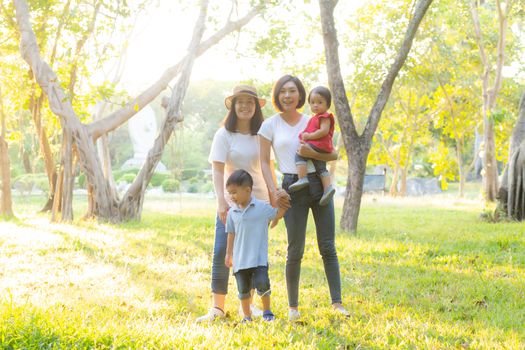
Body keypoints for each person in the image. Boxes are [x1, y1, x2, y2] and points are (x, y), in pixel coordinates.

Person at [258, 74, 349, 321]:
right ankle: (293, 308)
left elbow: (333, 155)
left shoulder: (315, 119)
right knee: (294, 249)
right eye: (283, 91)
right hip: (292, 187)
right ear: (277, 96)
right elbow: (265, 163)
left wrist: (311, 151)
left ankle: (337, 302)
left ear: (300, 95)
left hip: (318, 184)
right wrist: (274, 191)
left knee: (327, 246)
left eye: (292, 91)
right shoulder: (270, 125)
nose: (287, 95)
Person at [196, 85, 279, 323]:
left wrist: (273, 196)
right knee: (223, 250)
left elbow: (268, 167)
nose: (245, 106)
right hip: (232, 205)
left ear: (256, 107)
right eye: (240, 102)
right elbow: (217, 169)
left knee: (252, 255)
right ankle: (217, 307)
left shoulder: (262, 135)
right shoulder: (224, 134)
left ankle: (249, 305)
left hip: (258, 202)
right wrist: (222, 201)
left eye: (250, 102)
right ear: (233, 106)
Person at [224, 169, 286, 322]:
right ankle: (246, 316)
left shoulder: (261, 208)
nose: (231, 196)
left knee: (263, 285)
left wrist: (283, 201)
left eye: (234, 192)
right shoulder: (232, 212)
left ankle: (267, 312)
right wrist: (228, 254)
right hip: (240, 260)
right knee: (243, 290)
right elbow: (231, 234)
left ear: (248, 190)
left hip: (258, 259)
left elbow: (277, 214)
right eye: (229, 193)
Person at [288, 86, 336, 206]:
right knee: (321, 168)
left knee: (300, 155)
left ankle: (302, 178)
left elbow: (324, 131)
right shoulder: (315, 118)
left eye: (320, 102)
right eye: (313, 102)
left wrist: (309, 136)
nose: (316, 105)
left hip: (319, 145)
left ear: (327, 104)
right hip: (321, 147)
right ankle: (327, 189)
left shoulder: (324, 117)